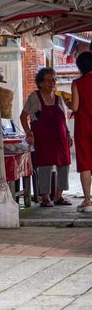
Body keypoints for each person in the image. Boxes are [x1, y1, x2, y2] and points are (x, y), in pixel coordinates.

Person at [20, 68, 72, 207]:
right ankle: (45, 197)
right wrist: (28, 133)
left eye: (54, 79)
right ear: (41, 83)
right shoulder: (34, 97)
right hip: (43, 139)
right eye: (49, 80)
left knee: (64, 165)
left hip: (60, 138)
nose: (52, 83)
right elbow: (23, 116)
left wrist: (68, 134)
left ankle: (59, 196)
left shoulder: (59, 98)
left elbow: (64, 121)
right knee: (45, 166)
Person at [70, 52, 92, 212]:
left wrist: (67, 102)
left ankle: (87, 201)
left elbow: (75, 107)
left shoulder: (77, 83)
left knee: (85, 164)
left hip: (84, 129)